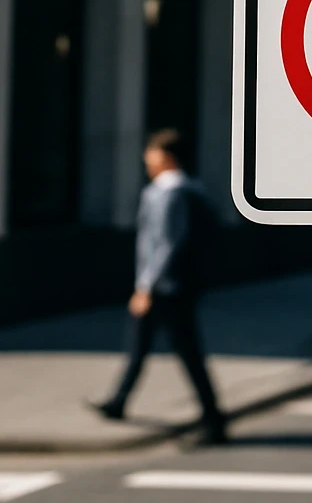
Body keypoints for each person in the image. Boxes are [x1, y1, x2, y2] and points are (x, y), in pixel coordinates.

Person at [91, 129, 226, 444]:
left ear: (166, 156)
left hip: (168, 288)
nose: (146, 160)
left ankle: (214, 419)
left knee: (187, 352)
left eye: (152, 153)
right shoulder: (183, 190)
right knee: (140, 346)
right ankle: (119, 401)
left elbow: (166, 243)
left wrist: (146, 286)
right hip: (171, 285)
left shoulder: (173, 192)